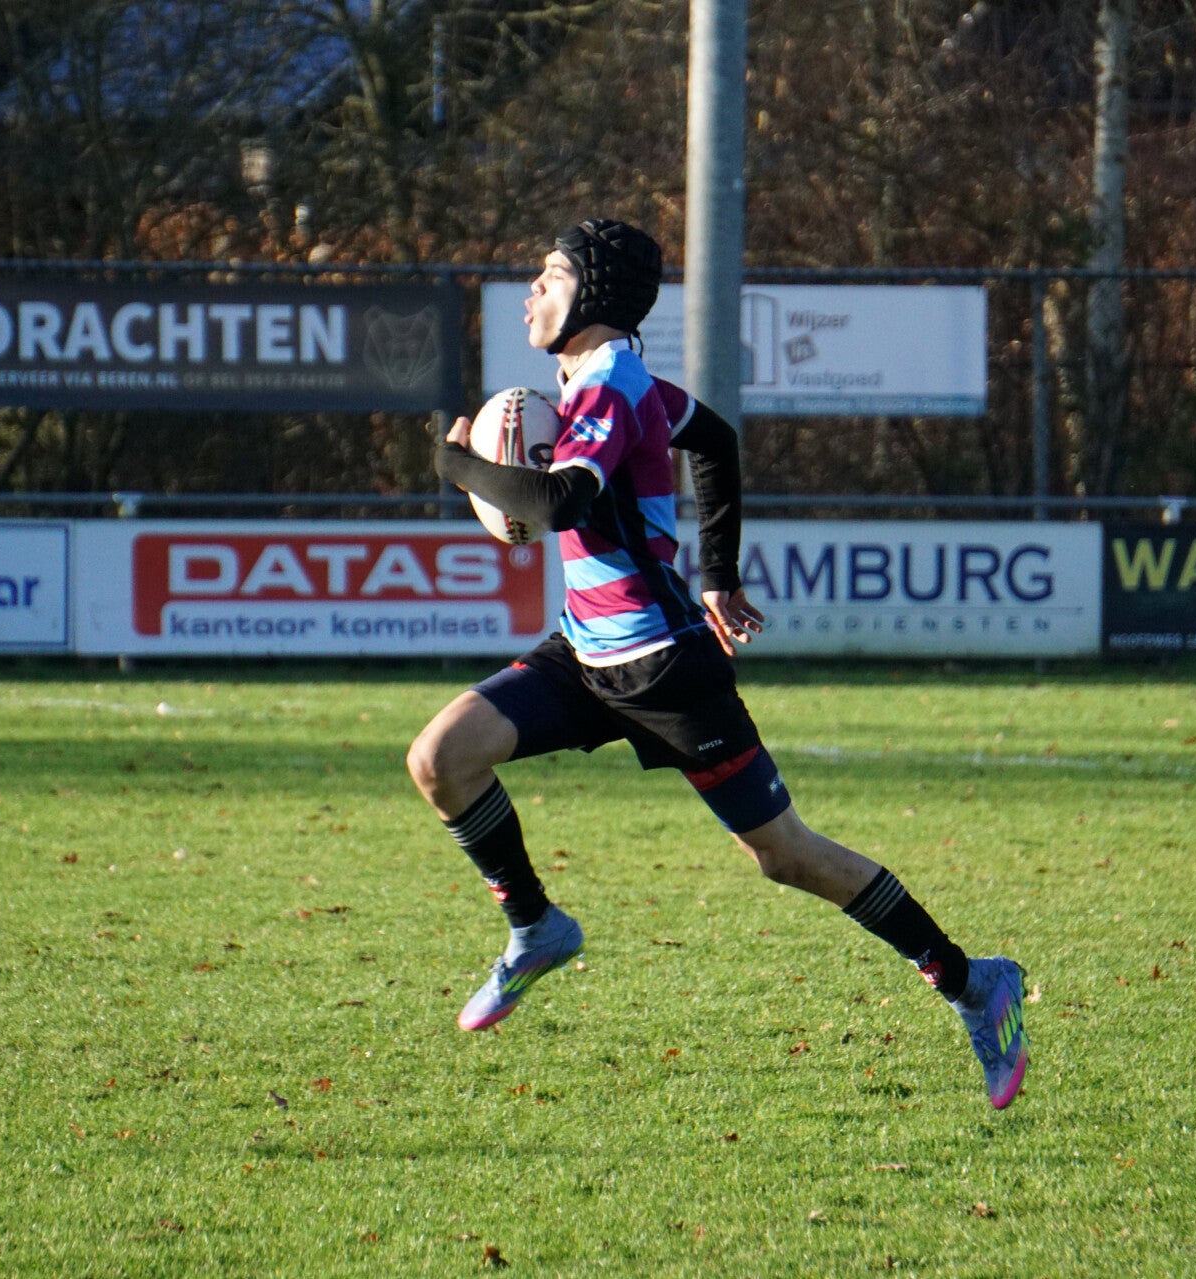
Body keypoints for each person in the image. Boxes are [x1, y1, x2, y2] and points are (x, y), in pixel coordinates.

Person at [407, 218, 1031, 1109]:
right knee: (440, 757)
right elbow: (714, 437)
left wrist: (456, 461)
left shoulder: (612, 381)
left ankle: (974, 983)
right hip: (585, 654)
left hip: (667, 672)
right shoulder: (593, 380)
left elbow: (559, 500)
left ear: (593, 292)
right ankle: (536, 925)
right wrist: (719, 575)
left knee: (786, 856)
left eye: (549, 274)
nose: (531, 290)